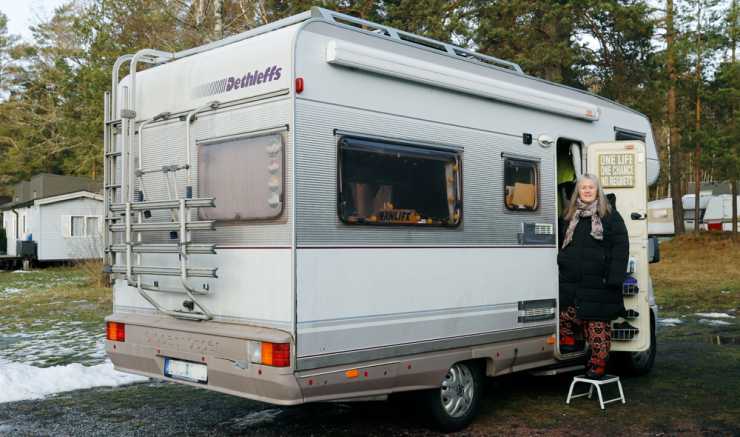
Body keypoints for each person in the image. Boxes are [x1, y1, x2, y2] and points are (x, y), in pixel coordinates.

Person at [557, 174, 629, 379]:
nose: (587, 191)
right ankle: (569, 342)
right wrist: (562, 262)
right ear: (577, 192)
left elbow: (621, 247)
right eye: (583, 188)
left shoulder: (610, 215)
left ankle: (598, 364)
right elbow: (563, 243)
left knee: (597, 325)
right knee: (565, 314)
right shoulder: (570, 215)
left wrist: (615, 277)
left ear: (598, 191)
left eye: (591, 188)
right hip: (573, 280)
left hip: (600, 281)